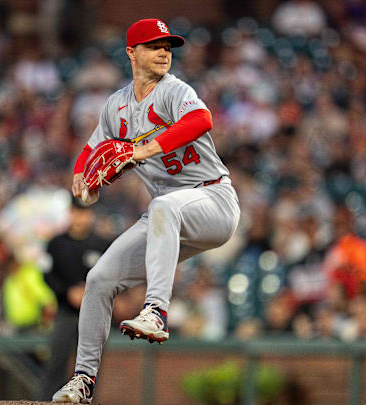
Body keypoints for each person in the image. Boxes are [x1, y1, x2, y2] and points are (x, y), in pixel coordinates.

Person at [52, 18, 240, 403]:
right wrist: (79, 179)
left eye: (167, 46)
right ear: (131, 53)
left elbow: (202, 119)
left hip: (213, 202)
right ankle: (83, 380)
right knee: (100, 278)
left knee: (163, 206)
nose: (164, 53)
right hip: (166, 218)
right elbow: (90, 151)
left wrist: (143, 150)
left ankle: (156, 310)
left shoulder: (173, 91)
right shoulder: (116, 106)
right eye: (154, 46)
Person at [38, 196, 110, 400]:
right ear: (70, 212)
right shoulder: (56, 243)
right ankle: (46, 400)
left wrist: (91, 292)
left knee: (90, 371)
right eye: (78, 212)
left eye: (86, 212)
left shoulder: (101, 244)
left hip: (94, 315)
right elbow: (46, 274)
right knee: (56, 364)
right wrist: (67, 292)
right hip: (65, 312)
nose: (82, 217)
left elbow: (112, 276)